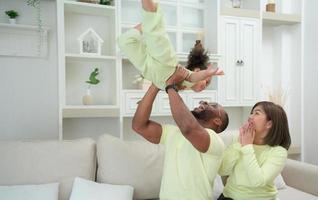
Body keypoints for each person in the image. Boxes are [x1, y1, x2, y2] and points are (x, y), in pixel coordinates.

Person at [132, 66, 229, 199]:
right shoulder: (173, 132)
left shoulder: (216, 142)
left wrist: (171, 87)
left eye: (213, 105)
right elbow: (139, 125)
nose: (204, 102)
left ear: (217, 121)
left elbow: (188, 128)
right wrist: (156, 84)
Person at [118, 0, 224, 92]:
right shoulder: (186, 74)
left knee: (125, 41)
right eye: (206, 82)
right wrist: (208, 72)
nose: (205, 87)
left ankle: (148, 24)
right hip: (166, 63)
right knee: (154, 26)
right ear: (197, 71)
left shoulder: (182, 87)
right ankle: (151, 19)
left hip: (149, 68)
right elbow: (194, 76)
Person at [218, 101, 291, 200]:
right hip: (229, 197)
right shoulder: (238, 140)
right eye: (251, 113)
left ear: (269, 124)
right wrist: (239, 143)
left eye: (256, 113)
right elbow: (223, 170)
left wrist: (247, 147)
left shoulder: (279, 152)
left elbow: (258, 181)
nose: (250, 117)